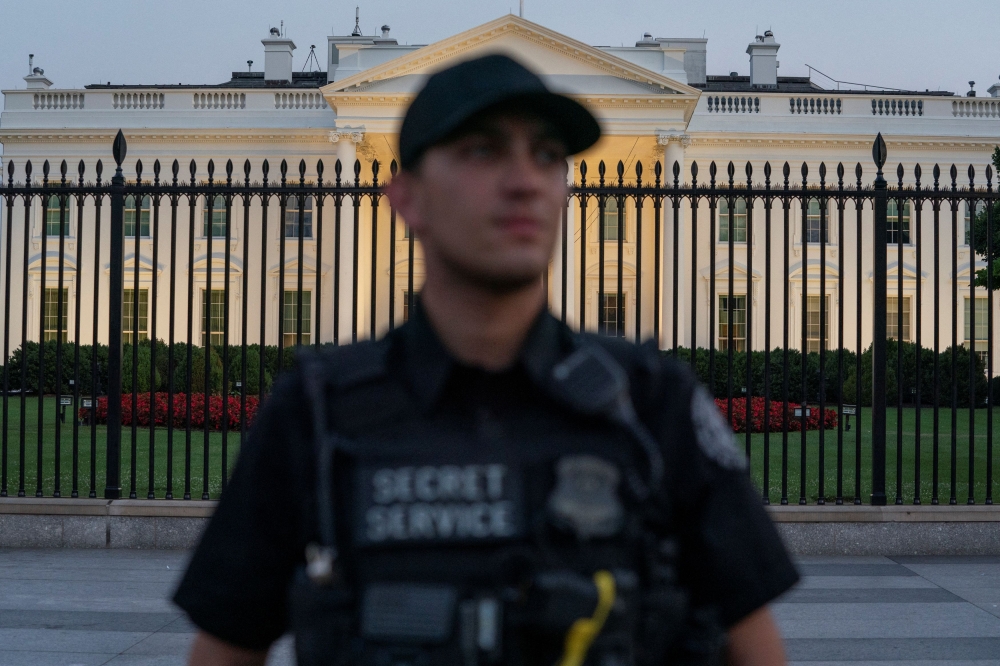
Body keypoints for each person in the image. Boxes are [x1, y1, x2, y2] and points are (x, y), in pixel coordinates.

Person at [175, 54, 799, 666]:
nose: (525, 179)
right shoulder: (315, 411)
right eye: (482, 150)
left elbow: (754, 645)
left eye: (548, 154)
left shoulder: (653, 401)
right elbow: (226, 645)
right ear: (406, 199)